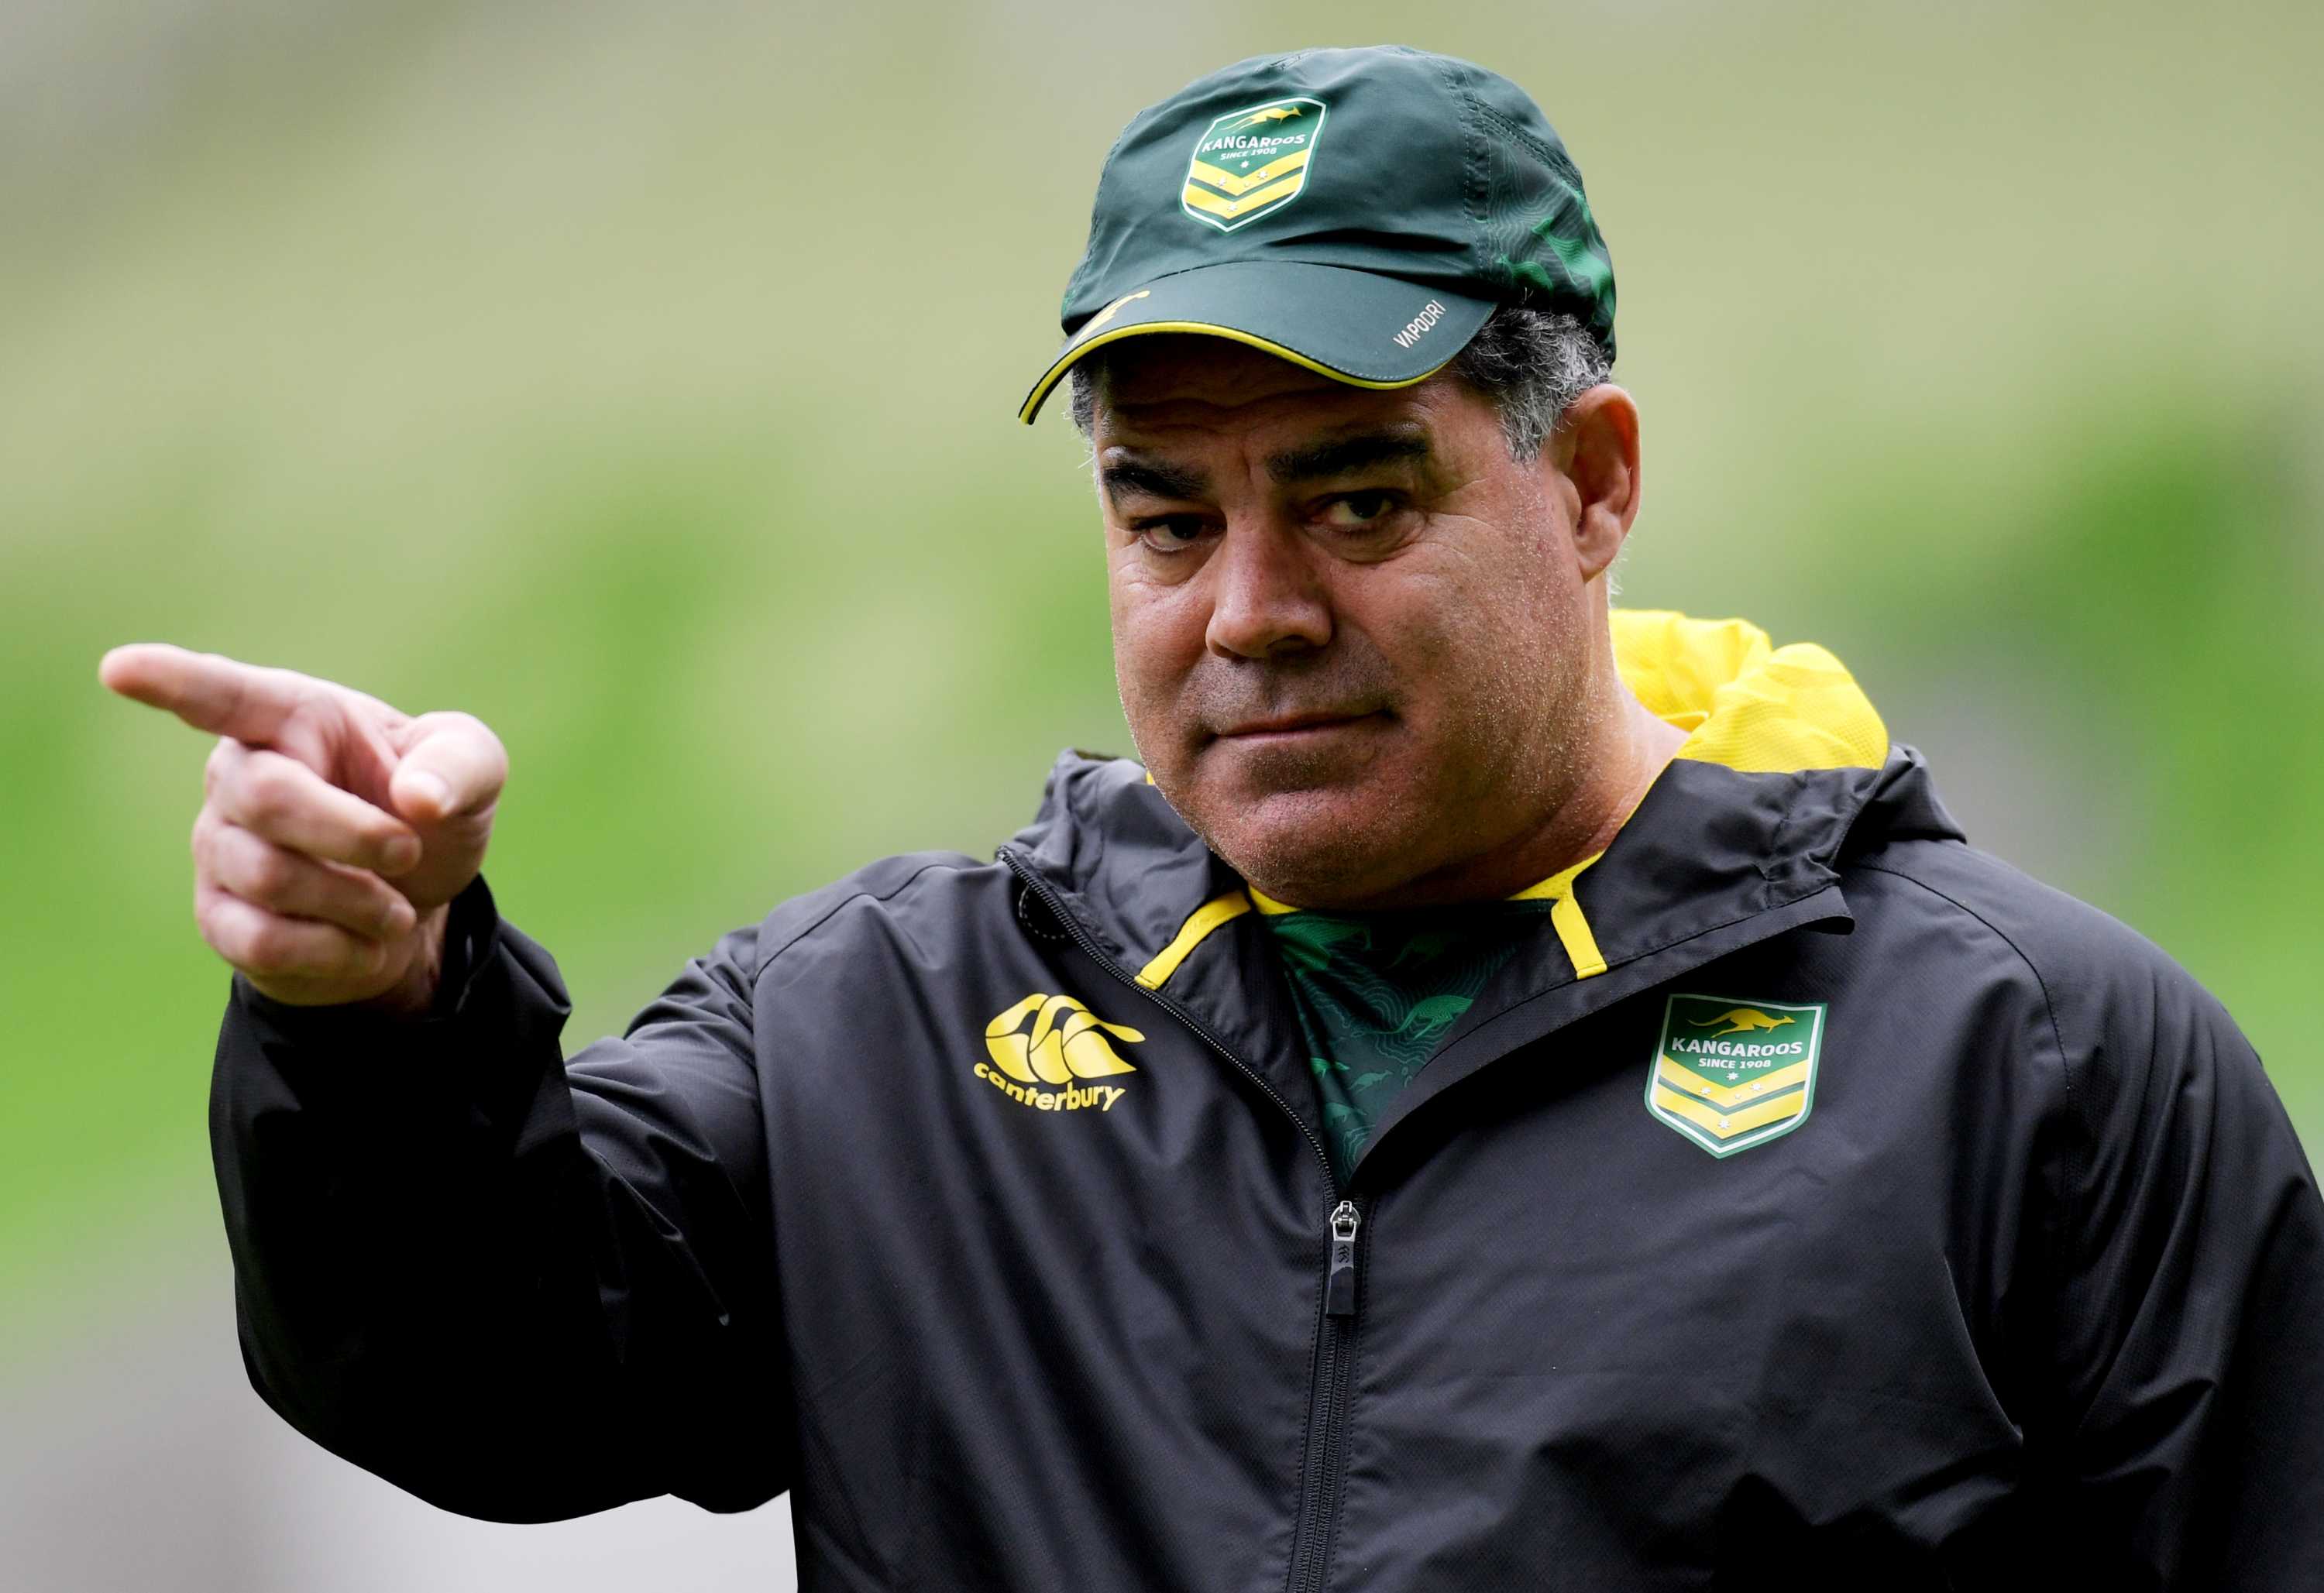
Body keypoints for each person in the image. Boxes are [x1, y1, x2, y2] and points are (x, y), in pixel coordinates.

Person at [100, 44, 2322, 1588]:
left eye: (1357, 497)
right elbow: (476, 1373)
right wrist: (376, 1014)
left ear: (1597, 482)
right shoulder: (889, 1027)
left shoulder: (2033, 1070)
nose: (1252, 610)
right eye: (1168, 519)